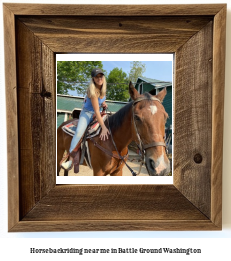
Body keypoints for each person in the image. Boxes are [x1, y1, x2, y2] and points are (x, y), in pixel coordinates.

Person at [61, 68, 110, 170]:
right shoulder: (93, 92)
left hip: (96, 113)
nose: (99, 78)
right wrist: (104, 128)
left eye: (101, 76)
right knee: (79, 132)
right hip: (87, 114)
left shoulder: (103, 91)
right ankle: (70, 160)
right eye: (96, 76)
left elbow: (100, 102)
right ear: (93, 79)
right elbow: (96, 111)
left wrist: (104, 103)